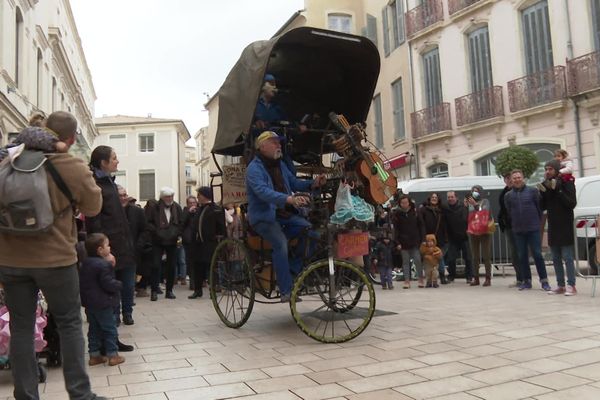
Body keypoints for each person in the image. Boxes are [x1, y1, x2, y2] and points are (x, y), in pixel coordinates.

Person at [0, 111, 108, 400]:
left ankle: (25, 395)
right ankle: (79, 393)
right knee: (70, 322)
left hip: (10, 259)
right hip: (55, 259)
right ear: (71, 139)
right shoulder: (70, 165)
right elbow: (94, 206)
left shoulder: (8, 161)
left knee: (21, 326)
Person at [246, 131, 326, 302]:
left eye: (279, 142)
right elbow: (262, 192)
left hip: (283, 214)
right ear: (262, 146)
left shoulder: (280, 164)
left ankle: (291, 271)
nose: (279, 145)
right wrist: (288, 199)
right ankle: (286, 290)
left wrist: (313, 183)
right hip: (263, 218)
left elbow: (295, 182)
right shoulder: (253, 168)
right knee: (280, 243)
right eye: (274, 142)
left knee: (311, 233)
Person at [87, 146, 137, 330]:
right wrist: (102, 248)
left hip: (123, 244)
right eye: (114, 158)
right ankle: (112, 328)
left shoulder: (109, 183)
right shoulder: (96, 185)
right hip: (110, 246)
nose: (117, 161)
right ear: (103, 162)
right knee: (111, 287)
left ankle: (126, 314)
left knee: (127, 283)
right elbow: (95, 220)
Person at [79, 233, 125, 367]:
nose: (109, 248)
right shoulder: (103, 265)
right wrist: (119, 284)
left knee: (94, 328)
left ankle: (94, 355)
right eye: (107, 245)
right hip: (103, 302)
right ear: (100, 250)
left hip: (90, 303)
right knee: (109, 328)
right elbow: (108, 283)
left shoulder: (85, 263)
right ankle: (113, 355)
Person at [504, 170, 550, 291]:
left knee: (538, 255)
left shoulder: (533, 191)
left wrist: (535, 223)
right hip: (518, 230)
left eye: (519, 177)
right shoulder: (508, 196)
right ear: (511, 180)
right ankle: (527, 281)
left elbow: (539, 209)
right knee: (522, 256)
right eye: (514, 178)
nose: (517, 180)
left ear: (523, 178)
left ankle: (544, 281)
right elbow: (509, 212)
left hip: (533, 229)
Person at [540, 160, 578, 295]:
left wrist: (559, 190)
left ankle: (571, 285)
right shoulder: (547, 185)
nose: (547, 171)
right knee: (555, 257)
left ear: (556, 170)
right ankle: (560, 285)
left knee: (567, 257)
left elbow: (572, 203)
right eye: (546, 169)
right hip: (553, 225)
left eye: (550, 169)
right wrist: (542, 192)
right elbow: (543, 206)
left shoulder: (567, 183)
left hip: (565, 224)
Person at [145, 187, 183, 301]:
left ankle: (169, 291)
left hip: (172, 240)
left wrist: (175, 233)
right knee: (156, 265)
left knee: (171, 266)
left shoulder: (177, 207)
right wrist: (157, 232)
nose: (170, 199)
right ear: (162, 197)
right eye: (167, 196)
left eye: (171, 196)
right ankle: (154, 291)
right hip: (157, 240)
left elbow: (181, 223)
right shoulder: (154, 207)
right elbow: (148, 222)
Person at [189, 187, 226, 299]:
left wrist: (221, 241)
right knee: (197, 267)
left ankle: (213, 290)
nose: (197, 197)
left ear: (204, 196)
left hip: (210, 243)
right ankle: (197, 290)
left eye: (199, 195)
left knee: (211, 267)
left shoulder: (216, 209)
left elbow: (221, 227)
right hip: (198, 244)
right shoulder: (198, 209)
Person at [117, 186, 149, 305]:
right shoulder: (111, 212)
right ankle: (116, 313)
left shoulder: (137, 211)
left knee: (129, 284)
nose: (123, 198)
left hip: (132, 253)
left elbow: (145, 230)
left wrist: (138, 245)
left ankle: (127, 311)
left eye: (125, 195)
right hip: (115, 252)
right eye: (120, 196)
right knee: (115, 283)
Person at [392, 195, 425, 289]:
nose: (404, 204)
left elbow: (421, 226)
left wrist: (423, 240)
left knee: (418, 260)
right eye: (402, 203)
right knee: (405, 262)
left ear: (409, 202)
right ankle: (407, 281)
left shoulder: (415, 212)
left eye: (406, 202)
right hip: (403, 242)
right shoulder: (397, 214)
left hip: (415, 241)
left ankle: (420, 279)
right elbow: (396, 229)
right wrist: (397, 242)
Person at [443, 191, 473, 283]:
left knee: (468, 258)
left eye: (452, 197)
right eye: (448, 197)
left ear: (456, 197)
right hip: (452, 238)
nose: (450, 199)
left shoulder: (463, 206)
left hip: (464, 237)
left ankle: (469, 277)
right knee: (451, 259)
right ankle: (451, 276)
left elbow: (468, 218)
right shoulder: (445, 207)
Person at [466, 185, 493, 287]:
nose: (474, 193)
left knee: (486, 255)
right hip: (473, 231)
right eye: (473, 191)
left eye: (476, 191)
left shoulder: (485, 201)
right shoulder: (470, 202)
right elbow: (470, 216)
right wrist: (466, 206)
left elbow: (484, 212)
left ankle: (487, 278)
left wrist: (475, 205)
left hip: (484, 230)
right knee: (474, 256)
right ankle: (476, 278)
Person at [498, 174, 522, 287]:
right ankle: (519, 278)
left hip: (520, 225)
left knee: (521, 252)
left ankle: (525, 278)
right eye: (506, 178)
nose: (509, 180)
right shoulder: (503, 193)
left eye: (510, 178)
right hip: (509, 226)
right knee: (514, 254)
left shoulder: (519, 192)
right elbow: (503, 209)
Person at [419, 193, 448, 284]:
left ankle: (442, 277)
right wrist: (423, 238)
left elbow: (444, 225)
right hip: (428, 238)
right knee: (428, 259)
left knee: (440, 257)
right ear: (429, 199)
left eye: (436, 197)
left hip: (439, 238)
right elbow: (421, 224)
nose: (434, 199)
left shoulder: (441, 210)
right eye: (432, 197)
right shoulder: (423, 210)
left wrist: (446, 237)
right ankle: (429, 279)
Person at [181, 195, 199, 290]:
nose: (192, 204)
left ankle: (200, 281)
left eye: (194, 202)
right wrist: (188, 213)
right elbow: (182, 223)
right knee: (190, 261)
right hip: (188, 240)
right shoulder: (184, 212)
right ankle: (192, 283)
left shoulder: (199, 211)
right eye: (190, 203)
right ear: (187, 204)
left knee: (198, 261)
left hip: (198, 240)